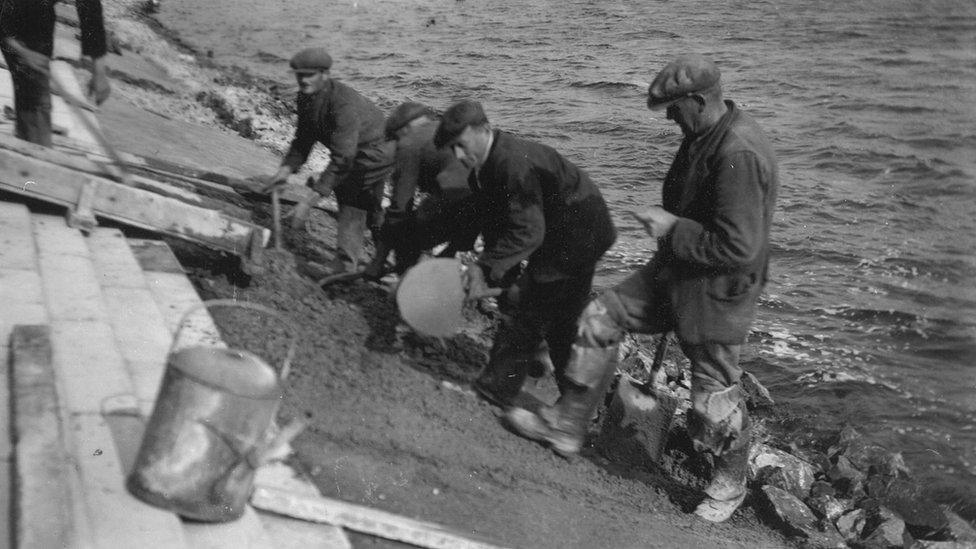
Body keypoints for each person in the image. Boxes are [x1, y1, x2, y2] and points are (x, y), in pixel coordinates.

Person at [504, 54, 779, 523]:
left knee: (713, 395)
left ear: (697, 100)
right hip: (677, 270)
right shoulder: (702, 134)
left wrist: (672, 227)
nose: (670, 118)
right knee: (600, 317)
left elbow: (739, 245)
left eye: (674, 108)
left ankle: (730, 485)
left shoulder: (739, 154)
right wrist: (673, 236)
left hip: (719, 290)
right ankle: (567, 424)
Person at [434, 99, 616, 423]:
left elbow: (528, 232)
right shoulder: (485, 168)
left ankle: (494, 391)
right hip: (561, 231)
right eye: (453, 149)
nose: (460, 156)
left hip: (577, 234)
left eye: (462, 145)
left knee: (528, 312)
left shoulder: (512, 164)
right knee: (560, 321)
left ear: (485, 130)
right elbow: (497, 223)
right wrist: (490, 269)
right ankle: (582, 408)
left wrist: (485, 268)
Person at [262, 47, 394, 271]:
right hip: (357, 149)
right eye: (299, 75)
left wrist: (310, 200)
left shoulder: (341, 104)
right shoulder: (305, 98)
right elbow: (303, 139)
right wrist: (285, 170)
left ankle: (345, 263)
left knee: (352, 195)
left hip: (378, 150)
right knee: (371, 206)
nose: (303, 80)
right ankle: (386, 258)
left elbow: (343, 159)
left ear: (324, 74)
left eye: (309, 75)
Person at [363, 101, 477, 280]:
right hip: (487, 199)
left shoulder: (409, 143)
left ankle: (407, 283)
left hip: (458, 196)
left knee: (406, 233)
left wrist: (378, 261)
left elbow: (398, 209)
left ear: (405, 128)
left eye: (394, 138)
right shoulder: (442, 129)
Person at [0, 0, 112, 147]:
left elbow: (91, 13)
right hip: (10, 17)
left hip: (38, 17)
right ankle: (34, 150)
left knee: (35, 98)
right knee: (36, 100)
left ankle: (29, 144)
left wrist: (99, 73)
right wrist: (22, 52)